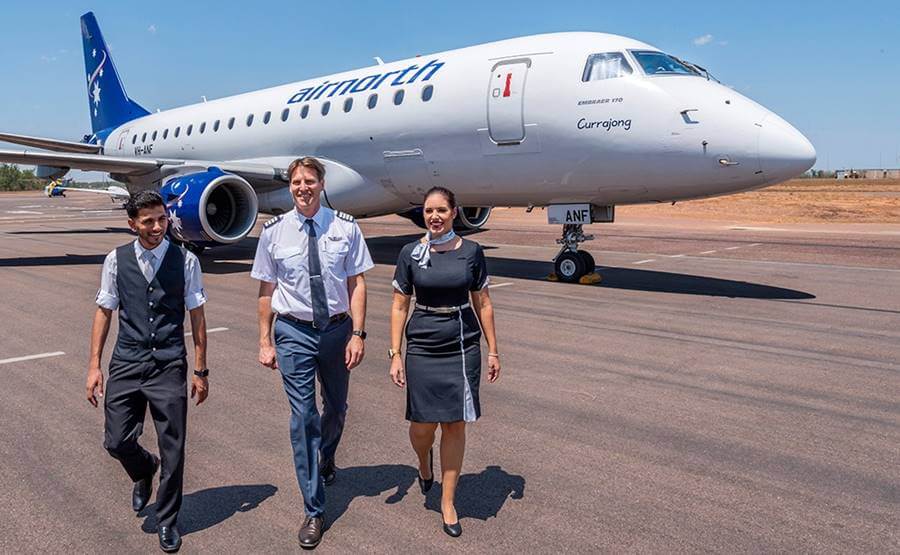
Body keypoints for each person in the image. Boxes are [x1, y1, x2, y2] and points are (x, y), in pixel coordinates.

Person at [252, 156, 374, 549]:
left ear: (322, 184)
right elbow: (266, 291)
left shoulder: (346, 228)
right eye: (296, 181)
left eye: (309, 180)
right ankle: (314, 508)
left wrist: (358, 334)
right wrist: (265, 340)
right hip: (293, 331)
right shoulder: (273, 233)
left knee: (336, 408)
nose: (302, 187)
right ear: (290, 187)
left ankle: (327, 455)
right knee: (303, 417)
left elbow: (357, 284)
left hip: (337, 331)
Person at [85, 190, 209, 553]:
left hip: (169, 363)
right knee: (117, 441)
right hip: (127, 360)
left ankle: (167, 520)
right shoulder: (115, 260)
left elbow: (197, 318)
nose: (157, 227)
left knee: (174, 449)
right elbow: (104, 311)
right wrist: (94, 365)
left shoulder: (185, 261)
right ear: (132, 224)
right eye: (148, 221)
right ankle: (143, 470)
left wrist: (200, 370)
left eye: (161, 219)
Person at [388, 186, 501, 538]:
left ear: (454, 212)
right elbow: (399, 305)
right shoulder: (411, 253)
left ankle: (448, 502)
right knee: (423, 426)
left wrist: (493, 348)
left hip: (462, 342)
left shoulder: (471, 251)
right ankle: (424, 461)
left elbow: (483, 302)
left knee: (455, 424)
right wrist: (395, 354)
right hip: (422, 341)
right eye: (428, 211)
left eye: (441, 210)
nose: (434, 216)